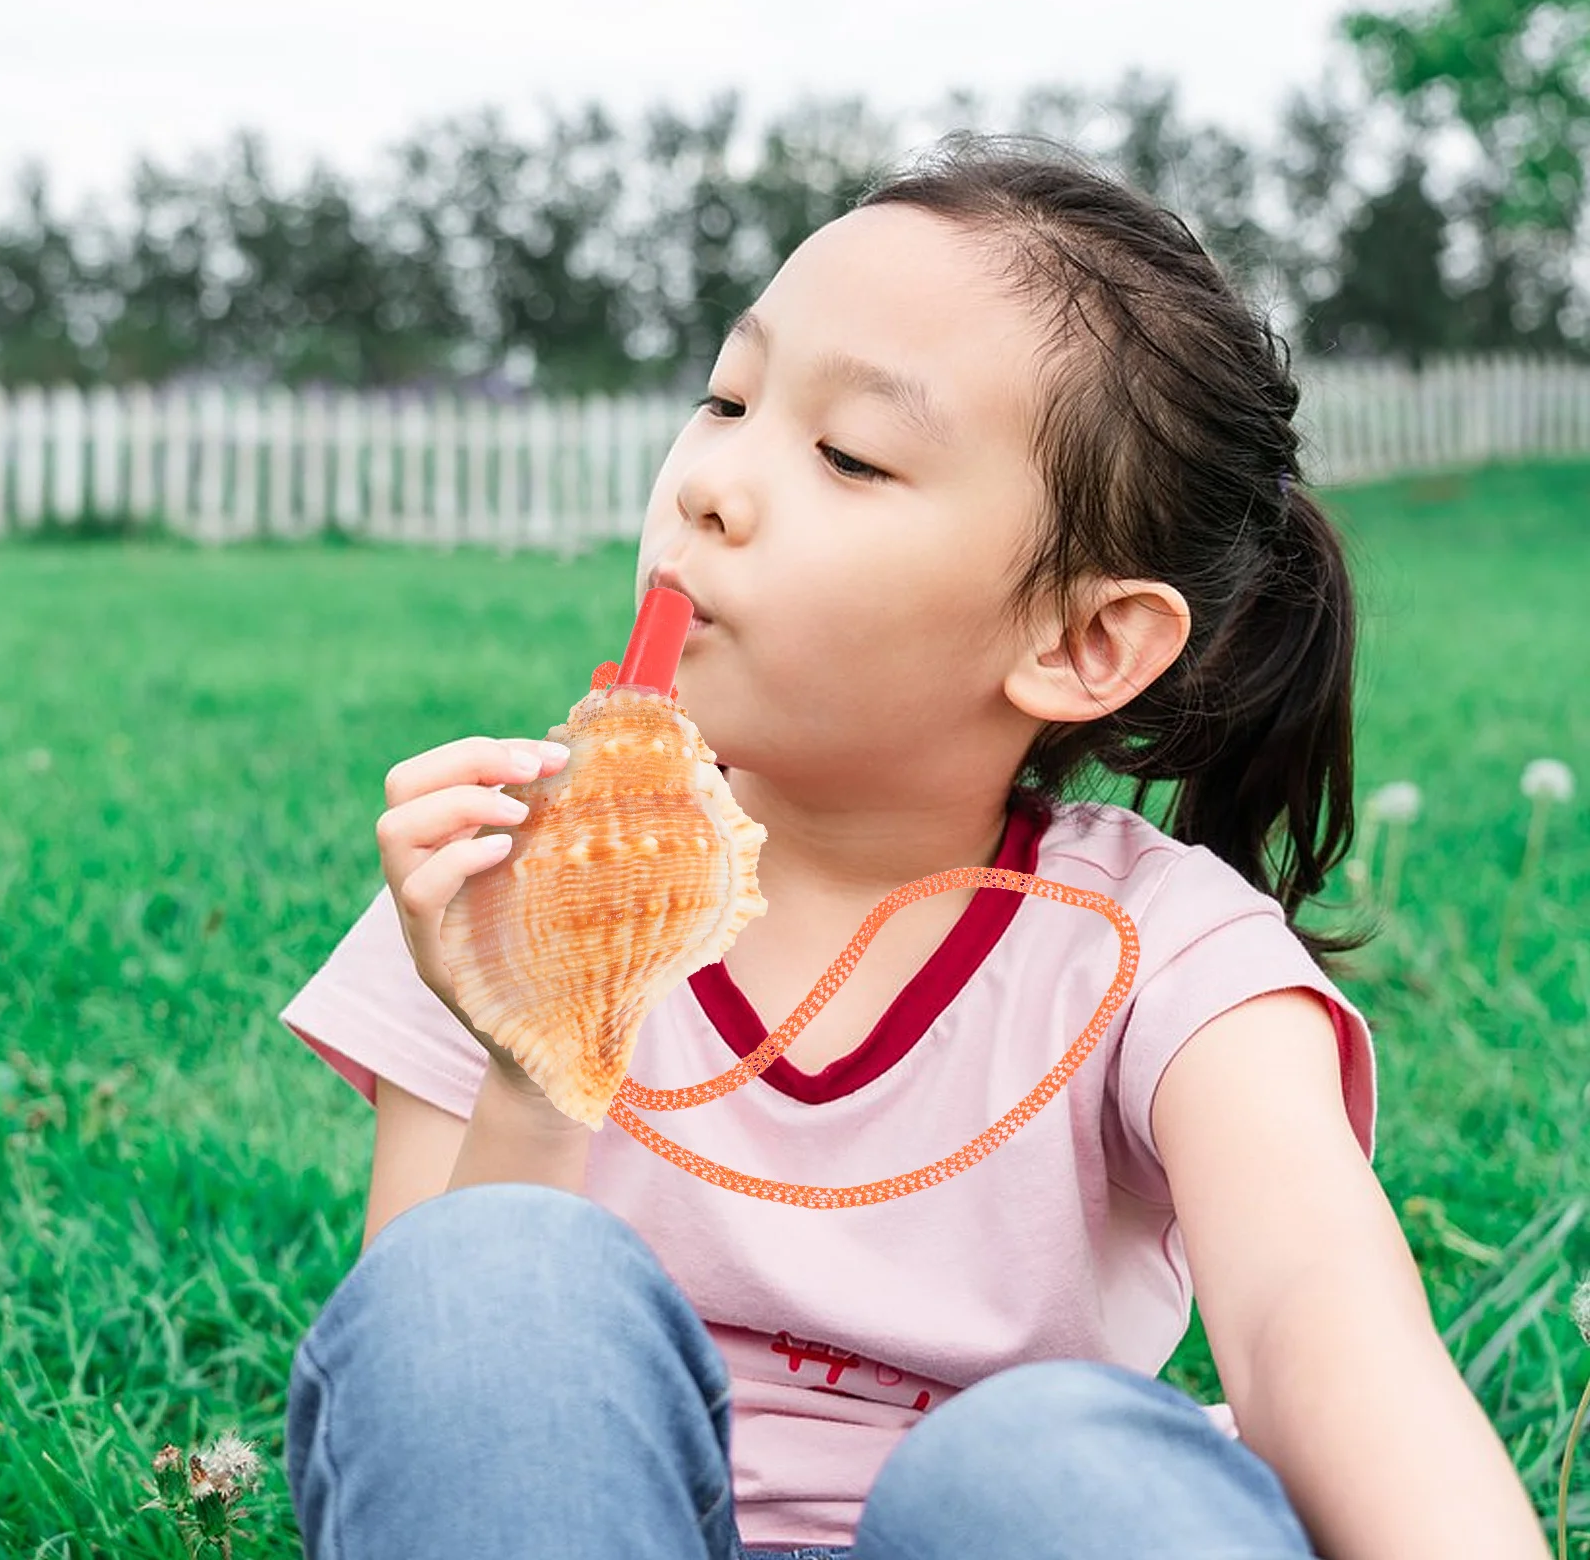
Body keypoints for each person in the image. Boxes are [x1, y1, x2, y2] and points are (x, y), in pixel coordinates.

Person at [279, 134, 1551, 1559]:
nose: (710, 484)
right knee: (490, 1272)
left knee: (1043, 1454)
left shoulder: (1168, 959)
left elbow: (1320, 1326)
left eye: (850, 454)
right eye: (726, 398)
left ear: (1084, 642)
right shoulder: (507, 879)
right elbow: (435, 1395)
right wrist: (538, 1063)